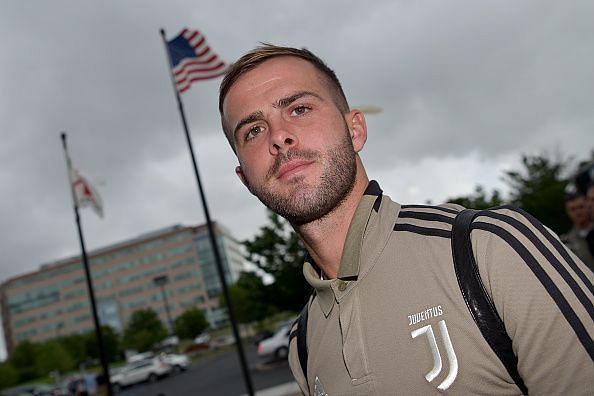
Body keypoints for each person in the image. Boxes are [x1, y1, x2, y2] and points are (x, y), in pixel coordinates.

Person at [218, 45, 594, 394]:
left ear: (355, 130)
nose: (279, 136)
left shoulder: (491, 248)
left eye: (299, 109)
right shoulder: (302, 345)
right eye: (253, 130)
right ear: (245, 179)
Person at [561, 191, 594, 272]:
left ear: (587, 206)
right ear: (568, 212)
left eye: (581, 207)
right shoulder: (567, 242)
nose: (578, 212)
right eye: (573, 209)